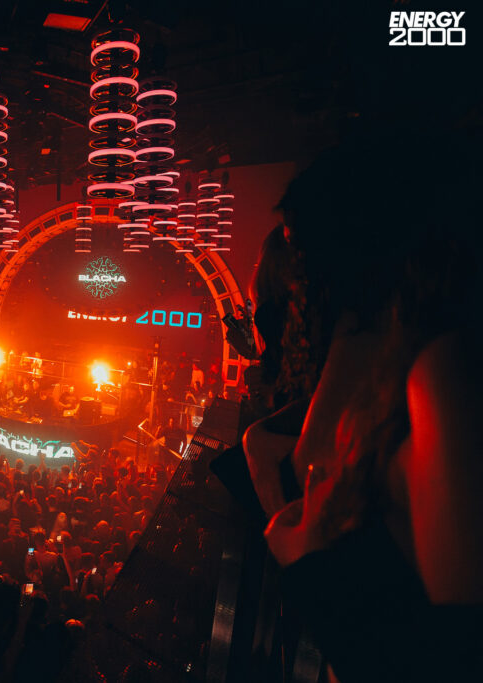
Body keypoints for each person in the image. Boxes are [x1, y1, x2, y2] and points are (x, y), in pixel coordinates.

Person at [246, 135, 483, 682]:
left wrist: (309, 563)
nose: (294, 279)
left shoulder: (442, 373)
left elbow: (457, 652)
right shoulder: (400, 366)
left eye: (299, 247)